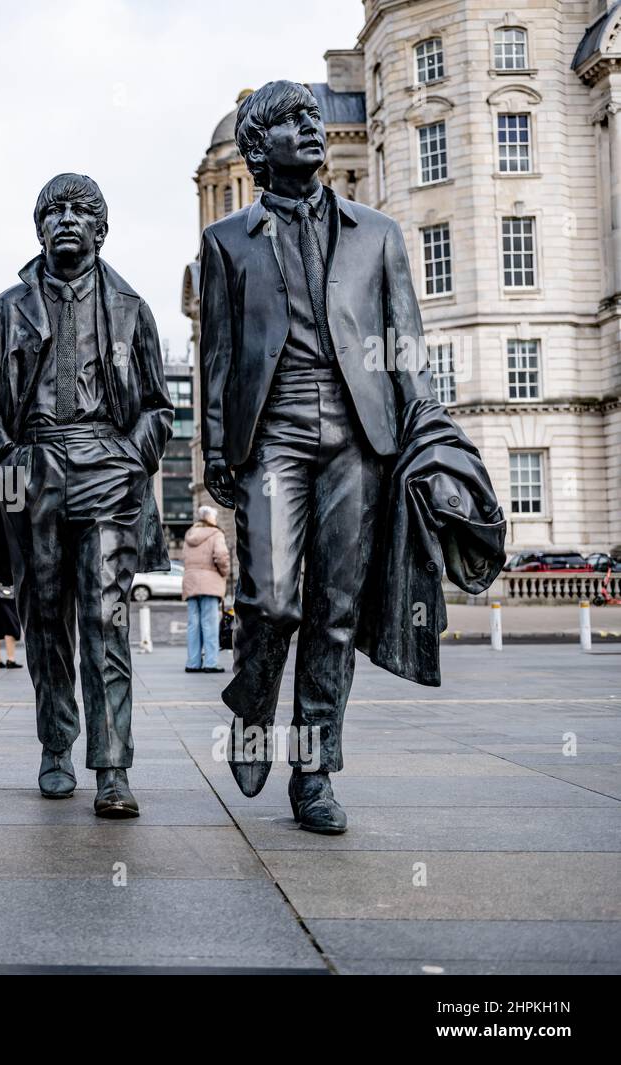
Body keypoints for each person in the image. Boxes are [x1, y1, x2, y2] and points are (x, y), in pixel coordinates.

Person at [197, 80, 503, 833]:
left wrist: (424, 431)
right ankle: (251, 705)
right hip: (273, 433)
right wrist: (214, 452)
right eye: (291, 122)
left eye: (312, 119)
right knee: (271, 599)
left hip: (361, 438)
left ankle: (315, 772)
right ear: (258, 146)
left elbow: (407, 345)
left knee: (335, 611)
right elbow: (218, 357)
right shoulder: (226, 241)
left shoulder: (379, 233)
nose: (311, 128)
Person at [0, 174, 173, 818]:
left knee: (105, 617)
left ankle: (113, 766)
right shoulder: (4, 312)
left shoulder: (132, 309)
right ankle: (57, 743)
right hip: (33, 469)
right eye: (53, 210)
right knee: (44, 617)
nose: (65, 219)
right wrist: (6, 453)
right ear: (38, 228)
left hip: (106, 465)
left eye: (80, 211)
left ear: (100, 230)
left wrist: (129, 459)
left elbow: (157, 408)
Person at [181, 505, 229, 674]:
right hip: (210, 583)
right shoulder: (216, 534)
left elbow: (184, 558)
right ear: (210, 518)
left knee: (193, 624)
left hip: (191, 582)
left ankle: (193, 663)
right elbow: (221, 556)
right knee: (210, 624)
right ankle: (211, 662)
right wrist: (224, 573)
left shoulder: (189, 535)